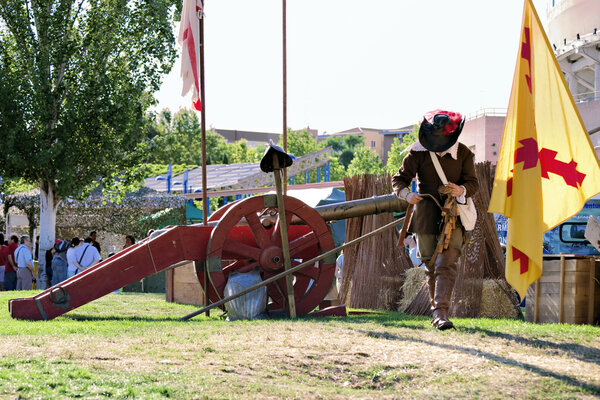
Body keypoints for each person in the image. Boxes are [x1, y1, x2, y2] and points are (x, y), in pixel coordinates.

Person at [392, 109, 478, 330]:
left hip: (454, 215)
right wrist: (407, 195)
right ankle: (436, 314)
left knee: (446, 263)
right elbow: (399, 180)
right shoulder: (417, 153)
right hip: (426, 215)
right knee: (431, 265)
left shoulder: (464, 154)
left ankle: (441, 313)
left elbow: (473, 183)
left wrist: (461, 189)